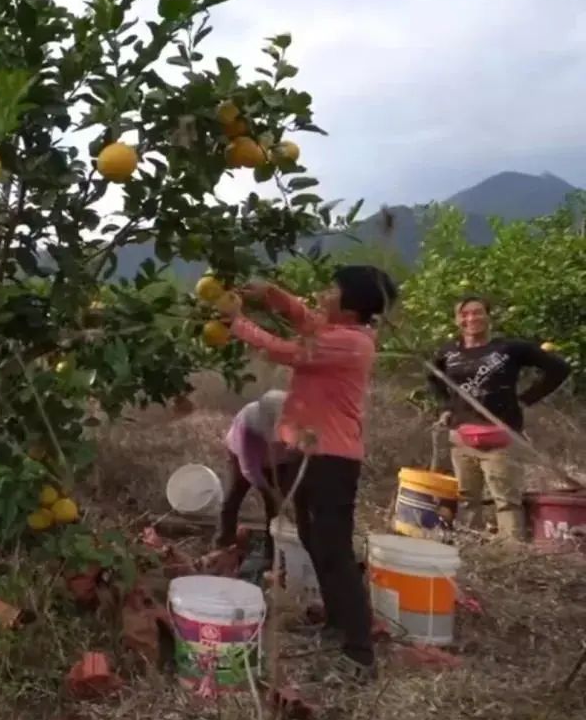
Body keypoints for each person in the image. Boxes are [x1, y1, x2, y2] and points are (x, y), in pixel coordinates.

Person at [219, 265, 398, 683]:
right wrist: (272, 294)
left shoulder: (349, 343)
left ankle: (359, 653)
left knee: (333, 551)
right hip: (308, 453)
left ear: (352, 306)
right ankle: (337, 622)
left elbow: (287, 351)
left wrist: (237, 324)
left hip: (331, 461)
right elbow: (304, 317)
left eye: (332, 289)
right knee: (313, 539)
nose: (322, 293)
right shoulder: (340, 331)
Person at [428, 296, 570, 540]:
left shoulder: (509, 348)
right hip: (462, 436)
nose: (471, 319)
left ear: (488, 316)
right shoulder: (448, 351)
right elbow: (433, 376)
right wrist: (447, 406)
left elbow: (559, 368)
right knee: (466, 497)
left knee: (506, 500)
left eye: (477, 313)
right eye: (465, 314)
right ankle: (471, 548)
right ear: (457, 320)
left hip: (501, 435)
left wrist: (526, 399)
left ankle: (510, 554)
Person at [216, 389, 293, 562]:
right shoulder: (247, 424)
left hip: (279, 461)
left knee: (276, 507)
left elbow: (298, 451)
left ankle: (273, 554)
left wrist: (281, 493)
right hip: (243, 459)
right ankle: (224, 544)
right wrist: (268, 490)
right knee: (233, 497)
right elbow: (249, 468)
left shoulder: (295, 420)